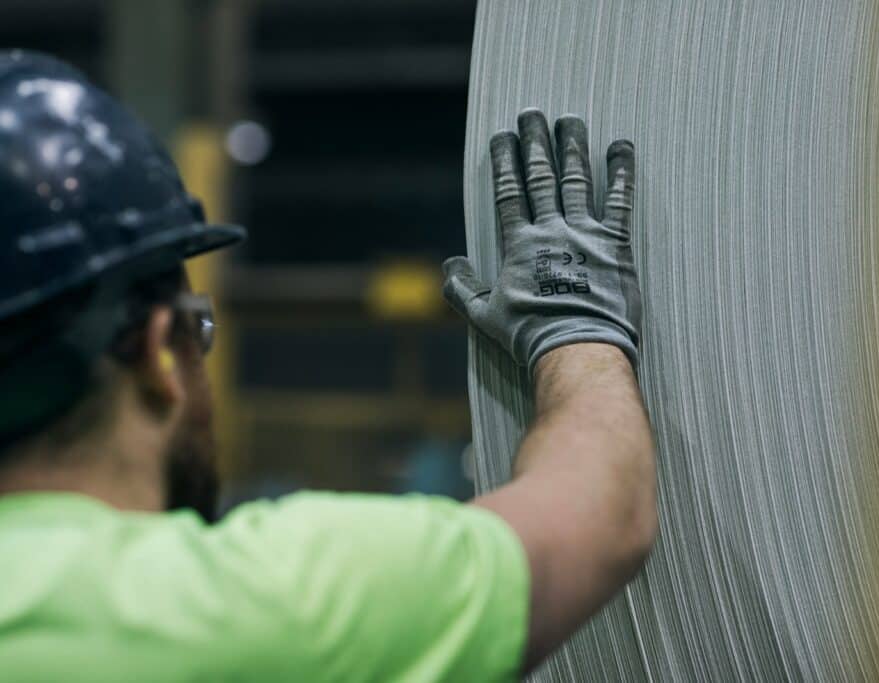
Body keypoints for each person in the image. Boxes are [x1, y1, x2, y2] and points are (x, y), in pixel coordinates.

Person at [0, 51, 656, 681]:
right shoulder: (235, 610)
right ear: (159, 351)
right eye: (199, 329)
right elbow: (602, 514)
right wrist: (575, 324)